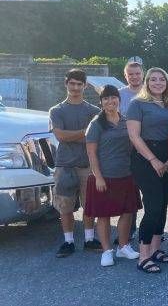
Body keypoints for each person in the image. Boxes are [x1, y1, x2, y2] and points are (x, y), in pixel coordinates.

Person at [127, 67, 168, 273]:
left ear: (167, 83)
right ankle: (143, 256)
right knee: (153, 205)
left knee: (164, 204)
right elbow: (134, 136)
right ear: (147, 82)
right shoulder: (137, 104)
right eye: (153, 80)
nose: (158, 83)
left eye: (162, 80)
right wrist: (154, 160)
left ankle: (156, 249)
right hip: (145, 159)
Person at [84, 85, 141, 267]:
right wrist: (98, 177)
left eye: (113, 97)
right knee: (104, 215)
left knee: (128, 212)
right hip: (104, 178)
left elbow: (133, 146)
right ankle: (107, 250)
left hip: (126, 175)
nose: (110, 101)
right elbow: (91, 154)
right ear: (101, 102)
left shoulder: (126, 121)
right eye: (106, 98)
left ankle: (123, 247)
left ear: (119, 99)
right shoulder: (96, 124)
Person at [50, 69, 101, 258]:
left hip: (88, 165)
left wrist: (77, 135)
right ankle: (68, 241)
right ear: (66, 84)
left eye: (79, 84)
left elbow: (97, 137)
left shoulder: (94, 111)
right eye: (72, 83)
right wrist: (85, 132)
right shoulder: (56, 110)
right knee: (65, 206)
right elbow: (61, 135)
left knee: (89, 205)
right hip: (64, 165)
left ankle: (89, 239)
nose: (75, 87)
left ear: (85, 86)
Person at [118, 61, 143, 242]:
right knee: (129, 194)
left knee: (151, 194)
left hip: (150, 150)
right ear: (125, 76)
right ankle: (129, 230)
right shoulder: (119, 96)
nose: (134, 77)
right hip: (127, 153)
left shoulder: (151, 92)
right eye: (130, 74)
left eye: (137, 73)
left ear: (142, 74)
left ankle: (152, 229)